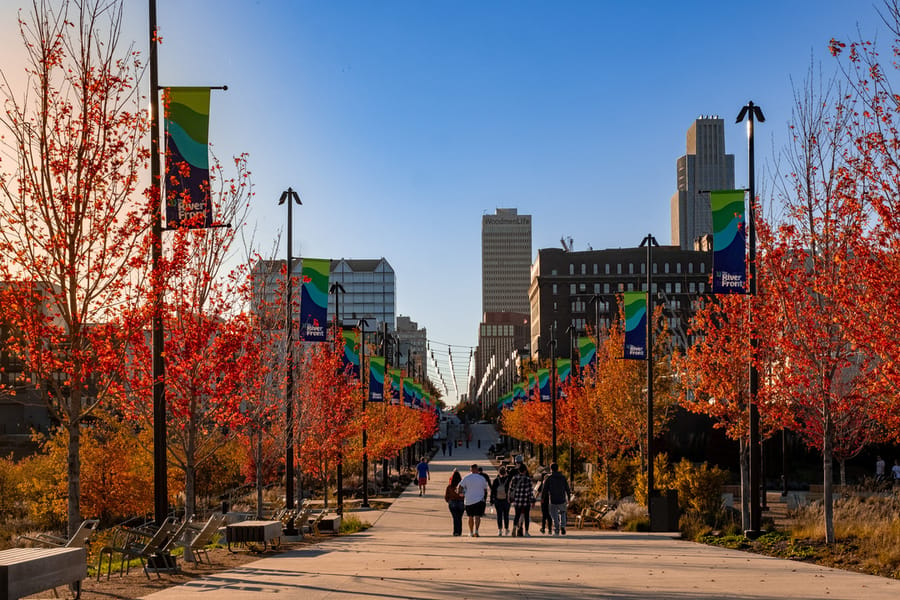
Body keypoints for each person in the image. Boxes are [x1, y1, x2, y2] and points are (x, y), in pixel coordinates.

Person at [458, 463, 490, 537]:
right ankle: (476, 531)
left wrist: (460, 493)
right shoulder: (482, 478)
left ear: (471, 469)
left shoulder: (466, 477)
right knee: (477, 516)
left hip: (469, 500)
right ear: (477, 469)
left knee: (470, 517)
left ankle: (471, 532)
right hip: (479, 500)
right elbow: (485, 489)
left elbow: (460, 486)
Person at [542, 462, 571, 535]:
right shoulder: (563, 477)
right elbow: (567, 488)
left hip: (553, 499)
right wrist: (569, 497)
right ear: (558, 469)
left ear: (551, 469)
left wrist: (543, 497)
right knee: (563, 512)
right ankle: (563, 526)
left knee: (554, 515)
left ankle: (557, 529)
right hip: (562, 498)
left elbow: (545, 489)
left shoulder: (549, 478)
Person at [509, 462, 534, 537]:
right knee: (526, 516)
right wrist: (532, 500)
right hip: (526, 501)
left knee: (517, 515)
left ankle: (514, 528)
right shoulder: (528, 479)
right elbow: (530, 491)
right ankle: (526, 531)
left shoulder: (514, 478)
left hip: (517, 500)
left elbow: (511, 489)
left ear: (519, 470)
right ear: (525, 470)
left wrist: (510, 498)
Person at [490, 465, 512, 536]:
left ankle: (499, 530)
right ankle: (506, 529)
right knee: (506, 515)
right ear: (505, 472)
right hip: (506, 499)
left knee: (499, 515)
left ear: (499, 473)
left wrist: (491, 500)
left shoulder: (496, 480)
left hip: (497, 500)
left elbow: (493, 490)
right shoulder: (508, 479)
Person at [445, 470, 465, 536]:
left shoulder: (449, 486)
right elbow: (465, 494)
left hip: (452, 502)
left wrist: (449, 501)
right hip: (461, 502)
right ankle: (459, 531)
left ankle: (456, 531)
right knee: (459, 517)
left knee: (455, 517)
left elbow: (446, 496)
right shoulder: (462, 486)